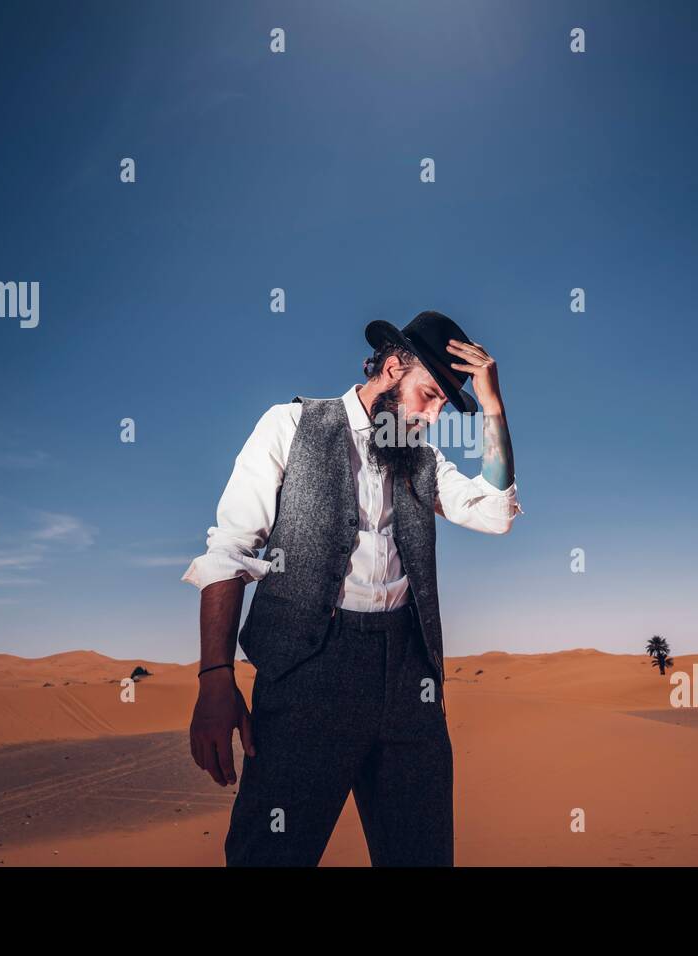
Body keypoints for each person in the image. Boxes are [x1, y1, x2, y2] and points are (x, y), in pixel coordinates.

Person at [183, 309, 521, 866]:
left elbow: (496, 514)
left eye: (443, 405)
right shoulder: (289, 426)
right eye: (429, 395)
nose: (434, 417)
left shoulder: (425, 460)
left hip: (411, 680)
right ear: (392, 368)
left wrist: (493, 406)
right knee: (270, 855)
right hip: (307, 675)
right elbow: (229, 552)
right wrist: (215, 677)